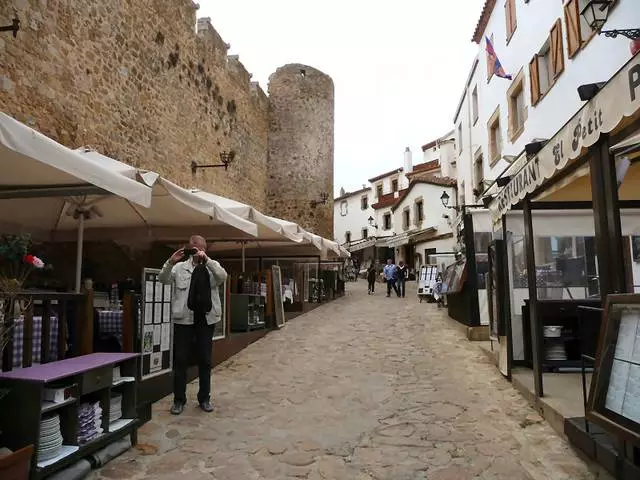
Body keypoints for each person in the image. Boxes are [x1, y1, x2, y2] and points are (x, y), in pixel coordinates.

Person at [159, 235, 228, 415]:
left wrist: (208, 260)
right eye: (194, 248)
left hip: (206, 319)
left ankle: (204, 398)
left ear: (205, 249)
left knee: (205, 360)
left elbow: (223, 276)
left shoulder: (212, 267)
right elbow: (163, 279)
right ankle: (178, 400)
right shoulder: (180, 268)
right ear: (188, 248)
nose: (197, 251)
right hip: (184, 319)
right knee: (180, 360)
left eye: (200, 248)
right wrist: (170, 262)